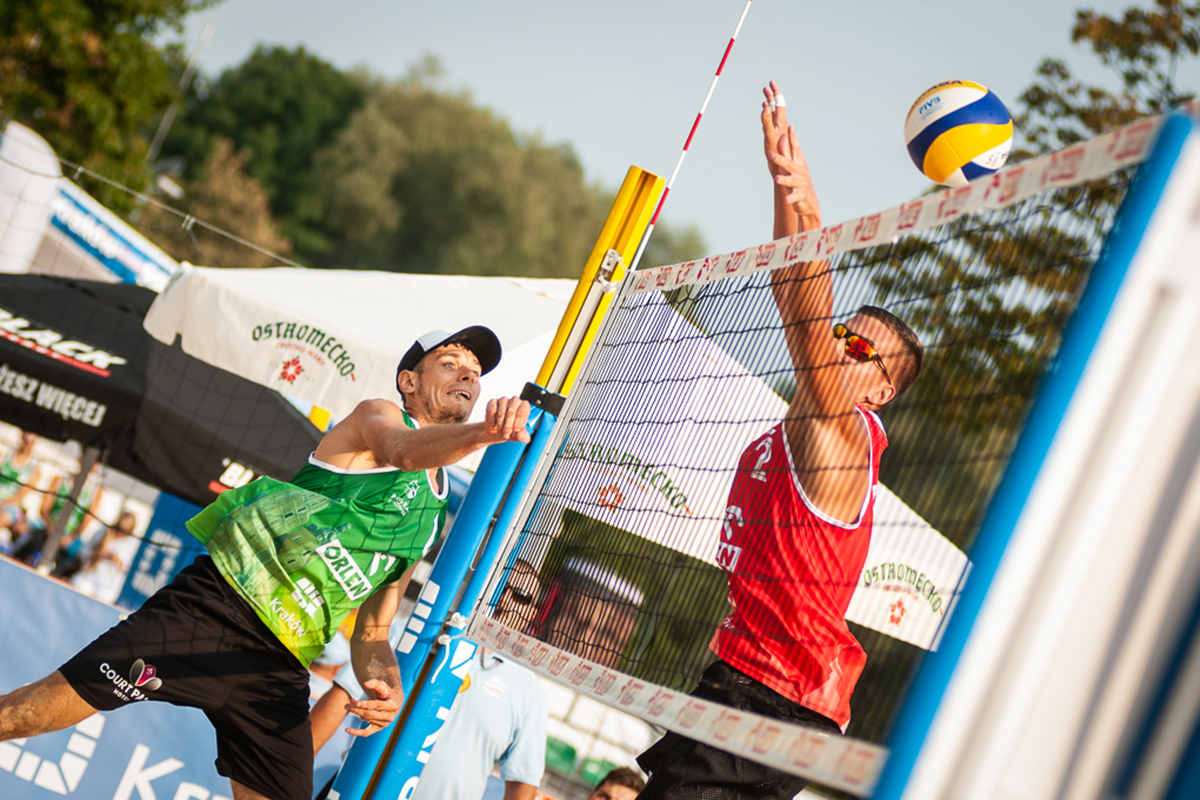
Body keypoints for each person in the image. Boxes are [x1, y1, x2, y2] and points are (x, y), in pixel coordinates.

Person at [0, 326, 532, 800]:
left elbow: (373, 629)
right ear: (409, 380)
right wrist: (484, 434)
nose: (468, 374)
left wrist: (385, 681)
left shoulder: (433, 516)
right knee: (42, 708)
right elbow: (402, 451)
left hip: (281, 662)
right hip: (220, 605)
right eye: (451, 362)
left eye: (476, 372)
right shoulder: (380, 415)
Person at [635, 82, 925, 799]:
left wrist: (813, 212)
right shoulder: (801, 416)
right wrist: (784, 189)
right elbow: (793, 293)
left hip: (778, 693)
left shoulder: (846, 433)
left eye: (866, 351)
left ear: (882, 390)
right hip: (752, 680)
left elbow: (804, 307)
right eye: (847, 336)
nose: (847, 347)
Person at [312, 559, 548, 800]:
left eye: (521, 595)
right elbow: (342, 695)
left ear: (531, 613)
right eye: (499, 587)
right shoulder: (411, 633)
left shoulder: (528, 690)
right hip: (358, 793)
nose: (505, 599)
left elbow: (522, 782)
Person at [70, 509, 140, 604]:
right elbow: (84, 551)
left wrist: (116, 561)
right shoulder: (103, 532)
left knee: (103, 599)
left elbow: (129, 571)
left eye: (125, 531)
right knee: (77, 582)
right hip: (90, 577)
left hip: (108, 587)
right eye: (119, 529)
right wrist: (96, 553)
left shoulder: (133, 544)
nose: (120, 533)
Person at [0, 429, 42, 552]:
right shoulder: (4, 456)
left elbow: (19, 496)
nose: (27, 443)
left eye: (31, 441)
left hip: (12, 507)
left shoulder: (34, 470)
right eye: (26, 439)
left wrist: (2, 504)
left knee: (3, 518)